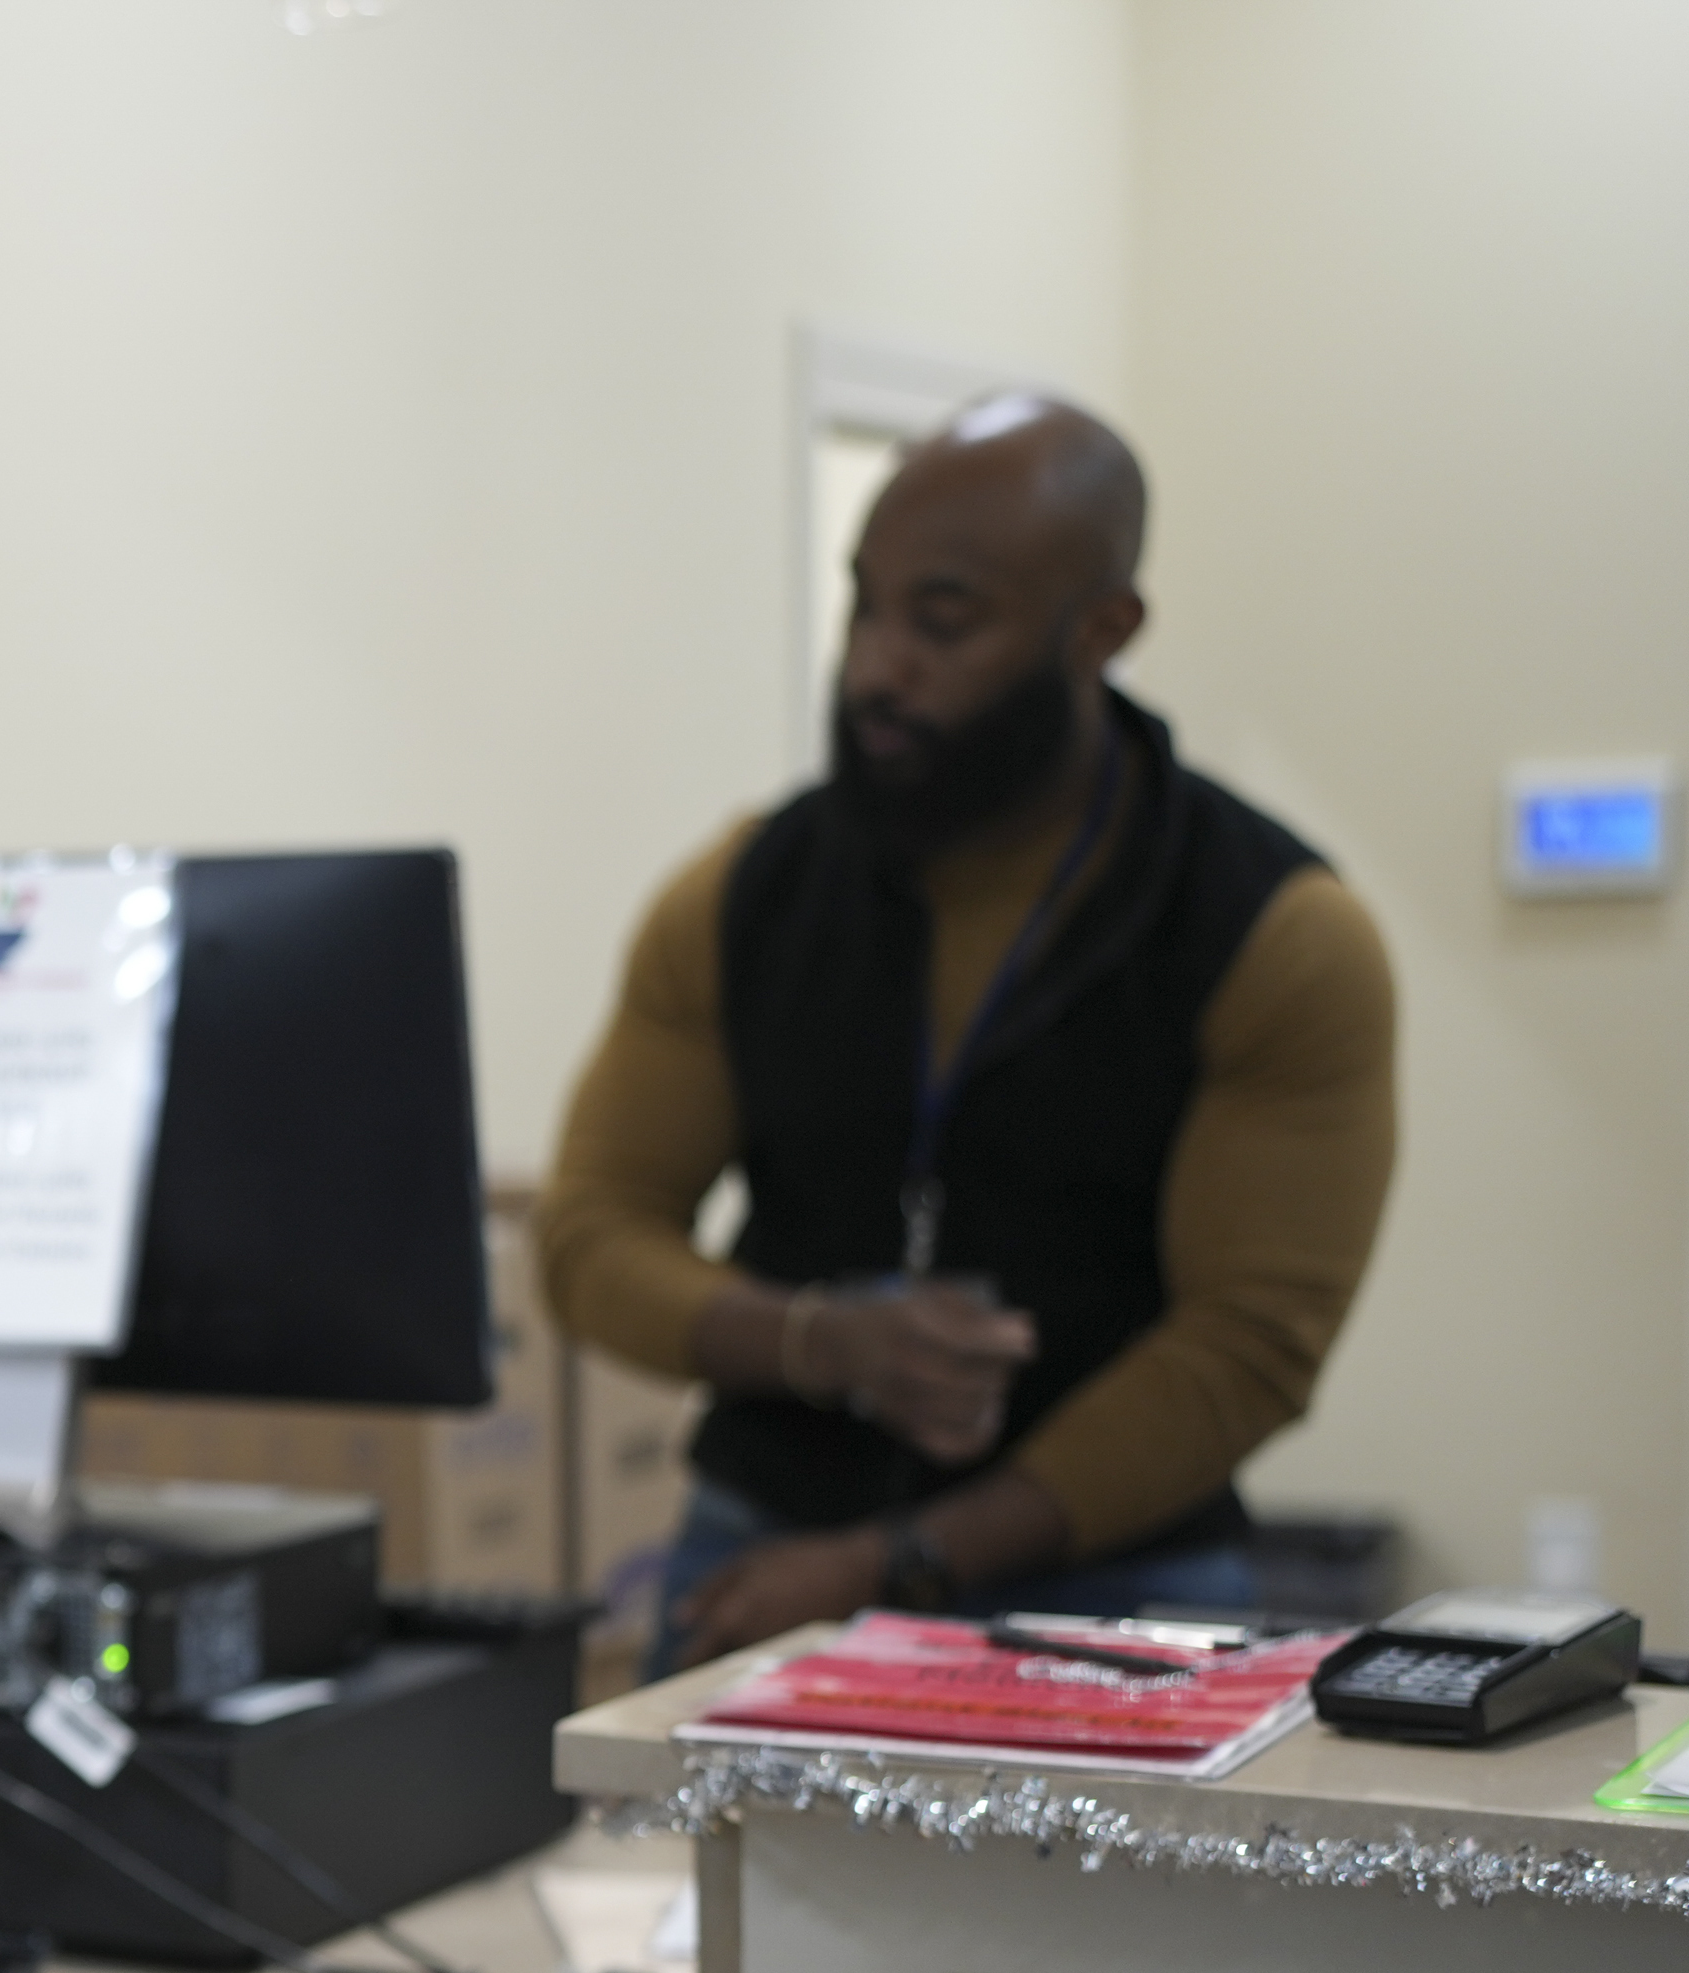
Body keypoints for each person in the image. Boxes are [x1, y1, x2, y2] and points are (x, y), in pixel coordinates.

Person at [536, 396, 1396, 1669]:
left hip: (1121, 1573)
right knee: (700, 1875)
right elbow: (591, 1233)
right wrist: (815, 1341)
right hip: (766, 1539)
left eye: (942, 622)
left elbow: (1246, 1349)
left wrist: (896, 1567)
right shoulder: (742, 895)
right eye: (864, 606)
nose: (878, 665)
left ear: (1104, 631)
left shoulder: (1275, 934)